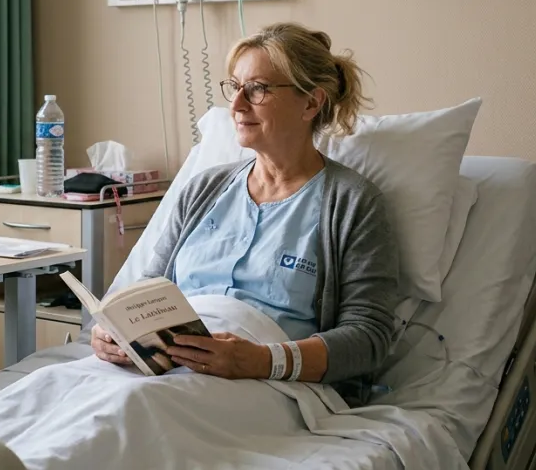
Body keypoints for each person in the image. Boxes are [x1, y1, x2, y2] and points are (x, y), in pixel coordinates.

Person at [92, 22, 399, 398]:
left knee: (121, 417)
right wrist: (114, 332)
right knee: (56, 401)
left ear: (311, 102)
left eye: (257, 89)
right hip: (163, 372)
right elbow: (146, 293)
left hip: (263, 385)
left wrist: (260, 361)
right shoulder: (204, 190)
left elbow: (369, 336)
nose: (236, 105)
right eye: (235, 87)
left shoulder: (352, 204)